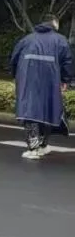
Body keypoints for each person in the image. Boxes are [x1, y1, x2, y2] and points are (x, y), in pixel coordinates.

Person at [10, 14, 72, 159]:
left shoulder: (27, 39)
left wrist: (16, 75)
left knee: (30, 112)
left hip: (27, 81)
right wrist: (65, 80)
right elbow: (67, 62)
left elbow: (14, 59)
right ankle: (43, 146)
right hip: (51, 82)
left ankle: (33, 148)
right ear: (54, 24)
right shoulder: (61, 40)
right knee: (48, 112)